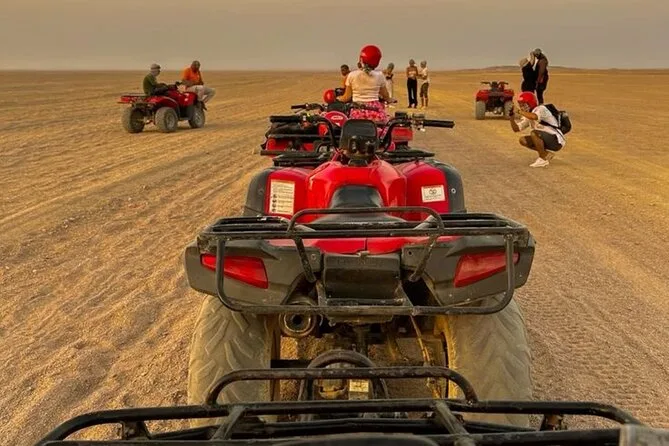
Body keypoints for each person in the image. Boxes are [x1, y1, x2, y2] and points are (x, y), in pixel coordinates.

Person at [336, 44, 394, 123]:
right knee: (385, 125)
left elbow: (346, 97)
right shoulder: (380, 75)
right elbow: (385, 96)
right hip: (375, 111)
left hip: (357, 112)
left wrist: (337, 98)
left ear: (361, 59)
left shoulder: (352, 75)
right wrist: (390, 100)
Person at [509, 91, 565, 168]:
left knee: (534, 133)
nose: (522, 107)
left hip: (555, 140)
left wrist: (519, 111)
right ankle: (545, 154)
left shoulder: (540, 109)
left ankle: (542, 159)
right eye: (520, 105)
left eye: (524, 105)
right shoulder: (528, 114)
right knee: (523, 140)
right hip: (545, 138)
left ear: (530, 103)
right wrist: (511, 117)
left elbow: (534, 117)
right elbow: (516, 129)